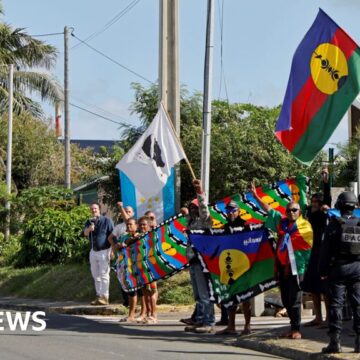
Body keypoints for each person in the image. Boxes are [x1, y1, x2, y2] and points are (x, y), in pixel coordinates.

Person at [251, 183, 313, 340]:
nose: (291, 212)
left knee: (295, 299)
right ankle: (291, 328)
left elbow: (308, 249)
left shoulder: (304, 226)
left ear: (299, 212)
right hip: (282, 266)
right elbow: (269, 210)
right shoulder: (282, 223)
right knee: (285, 299)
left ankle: (297, 329)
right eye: (289, 210)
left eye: (295, 210)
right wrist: (256, 197)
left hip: (297, 268)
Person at [320, 191, 360, 353]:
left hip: (339, 269)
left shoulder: (334, 224)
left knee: (336, 304)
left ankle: (335, 342)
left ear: (339, 206)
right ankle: (359, 343)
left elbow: (325, 251)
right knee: (358, 304)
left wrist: (322, 270)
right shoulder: (358, 224)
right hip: (357, 268)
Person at [183, 179, 215, 334]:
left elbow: (204, 209)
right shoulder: (191, 223)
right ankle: (200, 319)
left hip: (203, 262)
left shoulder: (205, 221)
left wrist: (200, 192)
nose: (193, 210)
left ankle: (208, 322)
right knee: (197, 295)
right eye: (191, 208)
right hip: (193, 261)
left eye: (195, 207)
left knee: (204, 294)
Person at [216, 200, 252, 336]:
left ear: (239, 211)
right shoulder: (225, 227)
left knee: (246, 298)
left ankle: (247, 325)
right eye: (228, 211)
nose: (230, 213)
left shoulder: (245, 225)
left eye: (233, 210)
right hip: (229, 266)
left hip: (243, 266)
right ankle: (231, 326)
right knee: (231, 297)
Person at [302, 168, 331, 328]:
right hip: (311, 255)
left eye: (316, 202)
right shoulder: (310, 214)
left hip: (322, 254)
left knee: (324, 289)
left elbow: (327, 199)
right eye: (312, 202)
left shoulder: (322, 214)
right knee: (313, 288)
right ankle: (318, 317)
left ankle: (328, 318)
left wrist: (325, 182)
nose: (313, 204)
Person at [82, 202, 114, 306]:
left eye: (95, 208)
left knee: (104, 274)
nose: (93, 210)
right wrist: (89, 229)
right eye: (92, 209)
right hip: (93, 251)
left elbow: (112, 235)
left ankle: (105, 297)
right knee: (95, 274)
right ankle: (99, 296)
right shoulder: (89, 221)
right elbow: (84, 234)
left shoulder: (107, 220)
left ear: (99, 209)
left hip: (104, 250)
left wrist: (113, 250)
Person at [118, 218, 147, 323]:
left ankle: (143, 313)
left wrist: (129, 241)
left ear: (136, 225)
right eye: (127, 224)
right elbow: (119, 246)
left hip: (140, 265)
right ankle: (131, 315)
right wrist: (121, 245)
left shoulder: (140, 235)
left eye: (131, 224)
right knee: (131, 291)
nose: (128, 226)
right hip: (128, 266)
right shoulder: (124, 236)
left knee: (142, 291)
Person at [108, 203, 134, 307]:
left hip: (132, 256)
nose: (126, 213)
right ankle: (126, 301)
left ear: (133, 213)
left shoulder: (134, 224)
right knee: (122, 278)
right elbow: (110, 238)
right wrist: (114, 248)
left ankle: (134, 301)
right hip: (121, 256)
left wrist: (120, 207)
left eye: (129, 211)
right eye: (125, 211)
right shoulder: (119, 226)